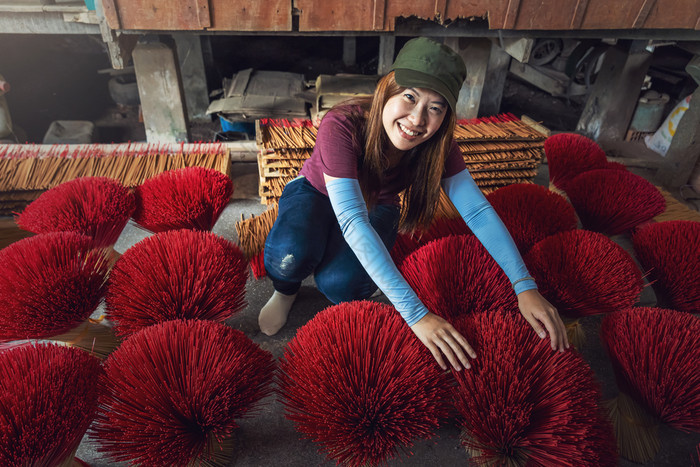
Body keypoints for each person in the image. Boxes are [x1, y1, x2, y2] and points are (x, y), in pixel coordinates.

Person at [259, 37, 569, 371]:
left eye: (435, 108)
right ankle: (286, 291)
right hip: (317, 194)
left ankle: (339, 266)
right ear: (387, 90)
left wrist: (525, 287)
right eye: (410, 97)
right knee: (289, 256)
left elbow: (477, 212)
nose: (417, 119)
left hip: (377, 205)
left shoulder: (438, 145)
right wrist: (417, 314)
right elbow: (351, 220)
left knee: (342, 285)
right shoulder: (344, 123)